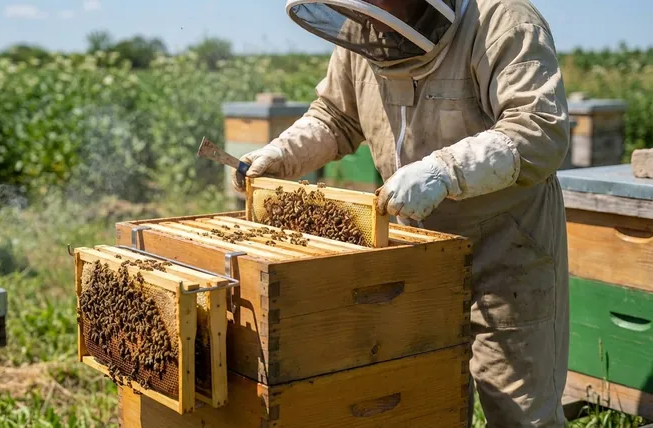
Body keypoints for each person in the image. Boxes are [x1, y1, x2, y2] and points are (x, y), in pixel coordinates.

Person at [232, 0, 570, 426]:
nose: (374, 26)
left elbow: (539, 129)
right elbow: (336, 116)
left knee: (520, 410)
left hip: (507, 245)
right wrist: (283, 153)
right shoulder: (363, 32)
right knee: (425, 401)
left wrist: (445, 171)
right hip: (415, 252)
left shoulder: (503, 22)